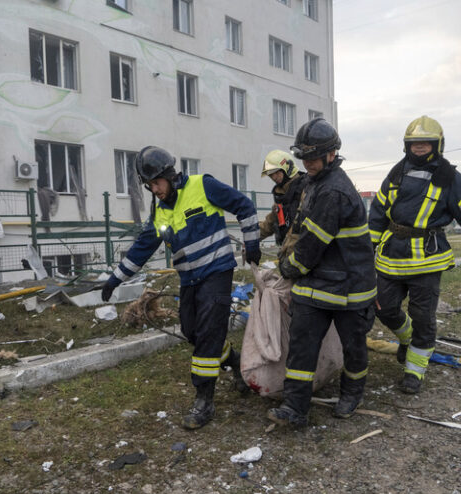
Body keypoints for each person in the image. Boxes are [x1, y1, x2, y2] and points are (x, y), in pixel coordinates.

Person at [101, 146, 261, 429]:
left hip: (217, 273)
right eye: (149, 186)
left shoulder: (204, 186)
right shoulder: (160, 211)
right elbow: (142, 248)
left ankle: (204, 400)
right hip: (190, 280)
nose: (154, 190)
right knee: (192, 331)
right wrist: (115, 279)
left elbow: (244, 206)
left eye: (156, 183)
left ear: (170, 176)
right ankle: (234, 361)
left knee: (210, 334)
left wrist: (252, 242)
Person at [369, 115, 461, 394]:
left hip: (427, 258)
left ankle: (414, 372)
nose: (420, 147)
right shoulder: (396, 172)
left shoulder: (449, 177)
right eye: (415, 143)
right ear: (407, 145)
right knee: (385, 307)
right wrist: (368, 245)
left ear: (437, 145)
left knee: (423, 317)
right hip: (391, 255)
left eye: (426, 142)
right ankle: (408, 341)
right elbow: (378, 211)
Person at [267, 118, 377, 427]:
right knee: (302, 347)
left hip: (350, 287)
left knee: (354, 347)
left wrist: (288, 268)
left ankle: (352, 394)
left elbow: (312, 244)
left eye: (313, 158)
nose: (308, 163)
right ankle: (294, 407)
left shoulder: (333, 192)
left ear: (331, 155)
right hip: (316, 284)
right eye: (303, 158)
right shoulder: (314, 183)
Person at [258, 150, 308, 252]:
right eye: (271, 175)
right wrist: (251, 238)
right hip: (289, 253)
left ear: (288, 168)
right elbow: (269, 224)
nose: (274, 177)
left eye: (276, 172)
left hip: (304, 253)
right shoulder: (281, 196)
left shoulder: (306, 189)